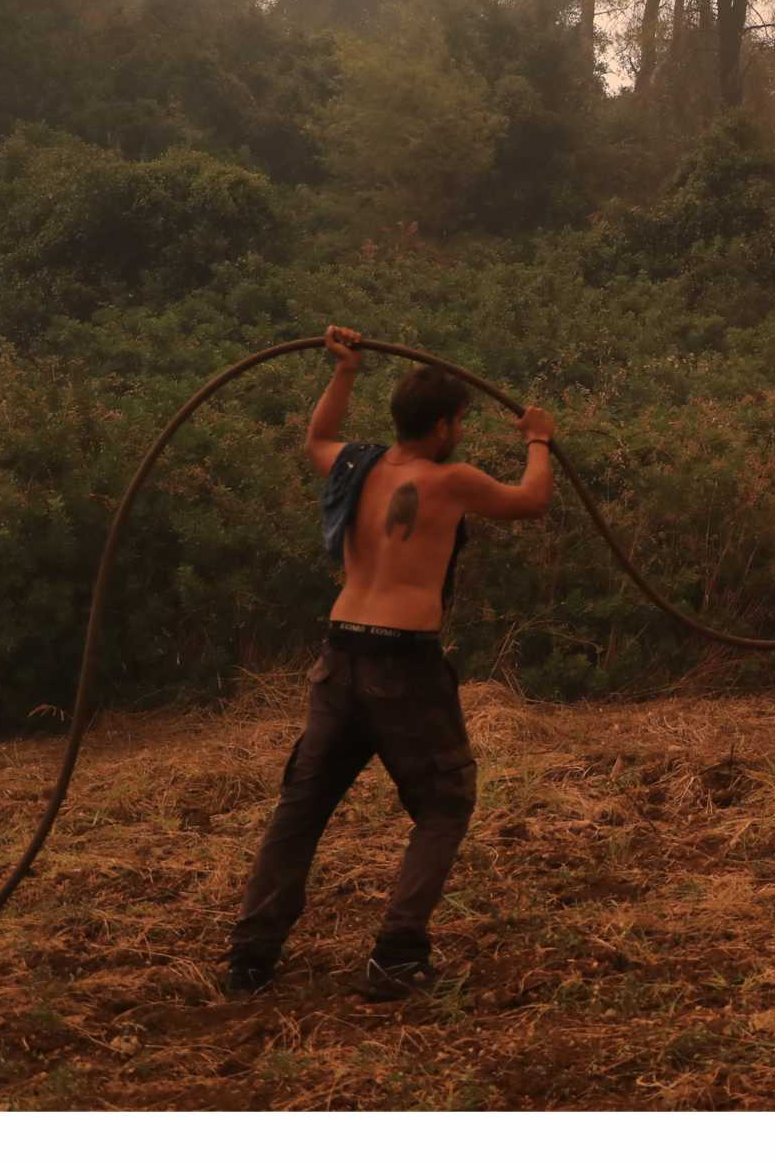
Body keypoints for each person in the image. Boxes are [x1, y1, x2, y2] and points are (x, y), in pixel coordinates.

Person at [224, 324, 556, 999]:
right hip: (403, 667)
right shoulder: (451, 480)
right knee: (445, 803)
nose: (460, 432)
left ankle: (251, 958)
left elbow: (315, 438)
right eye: (460, 422)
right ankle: (398, 955)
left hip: (338, 656)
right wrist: (540, 440)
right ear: (442, 426)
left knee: (302, 807)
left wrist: (344, 373)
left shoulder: (356, 464)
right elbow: (532, 500)